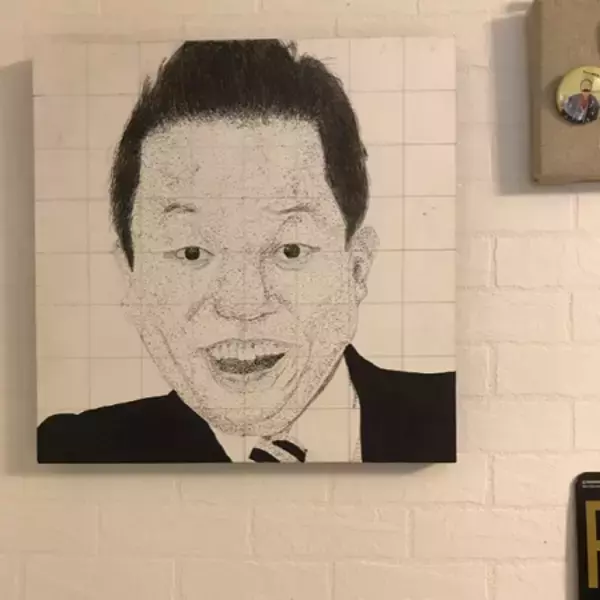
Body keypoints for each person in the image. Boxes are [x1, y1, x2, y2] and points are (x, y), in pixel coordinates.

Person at [37, 40, 456, 464]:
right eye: (191, 252)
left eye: (290, 250)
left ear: (357, 267)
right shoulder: (72, 453)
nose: (242, 304)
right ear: (130, 279)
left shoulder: (455, 418)